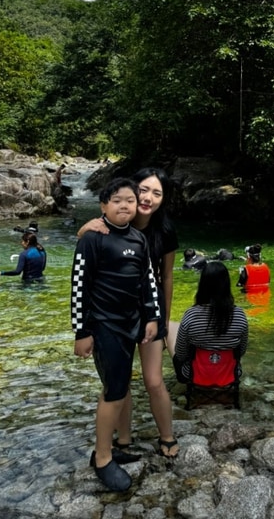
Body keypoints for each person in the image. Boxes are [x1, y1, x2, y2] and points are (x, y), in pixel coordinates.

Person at [77, 166, 179, 460]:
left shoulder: (164, 230)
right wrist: (84, 228)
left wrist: (162, 318)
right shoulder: (114, 220)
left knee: (154, 380)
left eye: (156, 193)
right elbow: (86, 247)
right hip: (114, 313)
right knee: (120, 381)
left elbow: (167, 276)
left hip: (150, 311)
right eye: (143, 191)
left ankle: (167, 436)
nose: (148, 198)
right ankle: (122, 440)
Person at [71, 178, 160, 492]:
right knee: (114, 389)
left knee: (122, 385)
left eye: (130, 200)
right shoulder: (93, 238)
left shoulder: (138, 239)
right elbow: (79, 286)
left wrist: (153, 316)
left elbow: (148, 281)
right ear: (103, 206)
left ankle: (120, 445)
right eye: (118, 200)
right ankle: (102, 457)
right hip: (104, 325)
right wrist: (81, 331)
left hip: (133, 323)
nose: (125, 206)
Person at [172, 261, 249, 383]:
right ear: (227, 285)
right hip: (229, 376)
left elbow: (181, 354)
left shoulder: (191, 315)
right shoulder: (239, 315)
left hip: (194, 375)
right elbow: (241, 351)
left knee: (171, 327)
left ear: (202, 285)